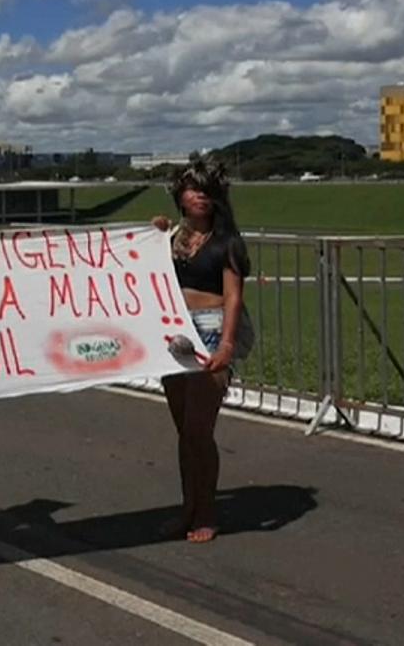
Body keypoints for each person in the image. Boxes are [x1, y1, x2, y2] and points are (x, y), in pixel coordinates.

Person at [150, 158, 252, 544]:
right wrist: (153, 235)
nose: (200, 196)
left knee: (199, 429)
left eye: (207, 190)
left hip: (210, 332)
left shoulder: (227, 244)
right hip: (175, 334)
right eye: (193, 188)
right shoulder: (172, 239)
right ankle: (188, 507)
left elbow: (233, 298)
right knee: (184, 432)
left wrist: (227, 345)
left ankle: (206, 510)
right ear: (180, 194)